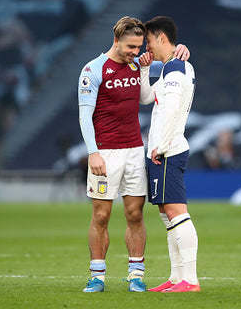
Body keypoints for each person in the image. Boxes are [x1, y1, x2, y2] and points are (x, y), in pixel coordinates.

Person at [77, 16, 190, 293]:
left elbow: (145, 97)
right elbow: (84, 115)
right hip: (105, 152)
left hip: (133, 151)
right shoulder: (93, 70)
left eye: (140, 46)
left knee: (134, 214)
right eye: (130, 47)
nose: (136, 52)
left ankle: (136, 274)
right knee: (101, 216)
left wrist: (181, 50)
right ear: (116, 40)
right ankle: (97, 276)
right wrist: (93, 153)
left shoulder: (135, 66)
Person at [138, 16, 200, 292]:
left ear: (161, 37)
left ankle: (190, 279)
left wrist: (159, 147)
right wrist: (144, 69)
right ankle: (176, 278)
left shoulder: (176, 68)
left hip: (168, 150)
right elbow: (146, 98)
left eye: (148, 40)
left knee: (176, 212)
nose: (146, 47)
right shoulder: (169, 69)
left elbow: (173, 110)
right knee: (166, 213)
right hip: (165, 149)